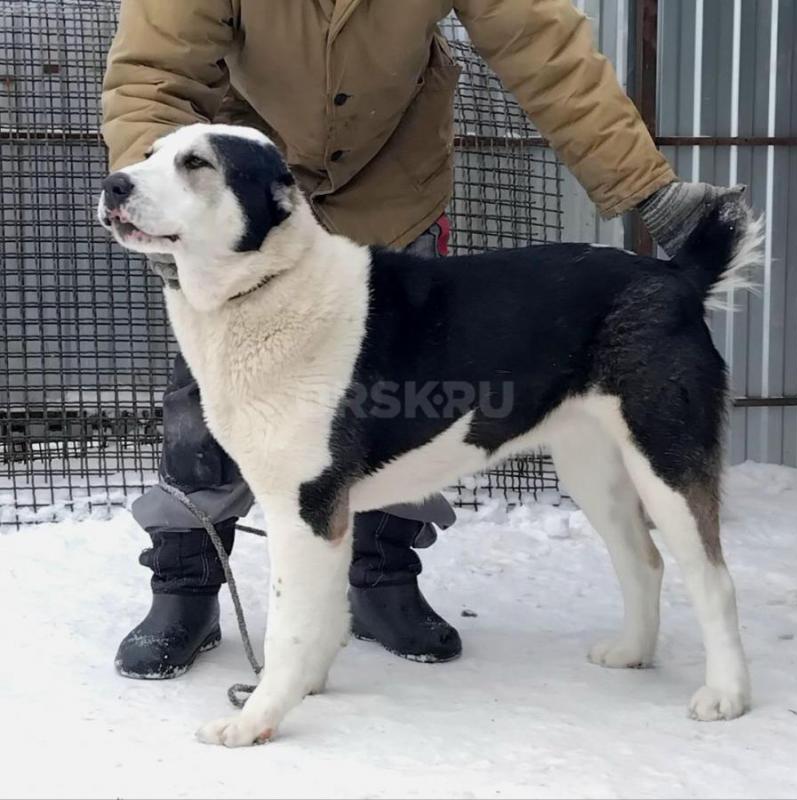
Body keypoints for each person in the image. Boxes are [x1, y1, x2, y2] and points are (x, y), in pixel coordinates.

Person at [102, 0, 726, 679]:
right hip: (247, 197)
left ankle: (381, 576)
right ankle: (187, 584)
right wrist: (158, 205)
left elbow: (541, 43)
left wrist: (642, 183)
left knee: (413, 403)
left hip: (391, 189)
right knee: (210, 410)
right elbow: (153, 71)